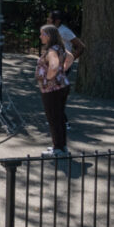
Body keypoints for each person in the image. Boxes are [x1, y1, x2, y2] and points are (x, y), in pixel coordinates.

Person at [35, 24, 75, 156]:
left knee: (53, 118)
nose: (40, 36)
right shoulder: (60, 48)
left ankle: (58, 148)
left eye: (42, 34)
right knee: (59, 117)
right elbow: (70, 58)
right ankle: (61, 146)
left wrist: (48, 79)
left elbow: (53, 65)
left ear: (49, 36)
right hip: (63, 85)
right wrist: (62, 71)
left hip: (52, 89)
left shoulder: (52, 51)